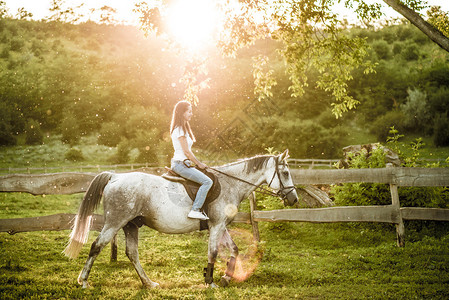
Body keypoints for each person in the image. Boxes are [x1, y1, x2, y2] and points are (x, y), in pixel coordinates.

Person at [170, 100, 212, 220]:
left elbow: (188, 151)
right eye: (189, 111)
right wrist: (199, 164)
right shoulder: (179, 129)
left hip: (184, 164)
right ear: (182, 113)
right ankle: (195, 209)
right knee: (207, 182)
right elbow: (186, 152)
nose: (191, 114)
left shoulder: (182, 129)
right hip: (180, 164)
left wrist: (197, 163)